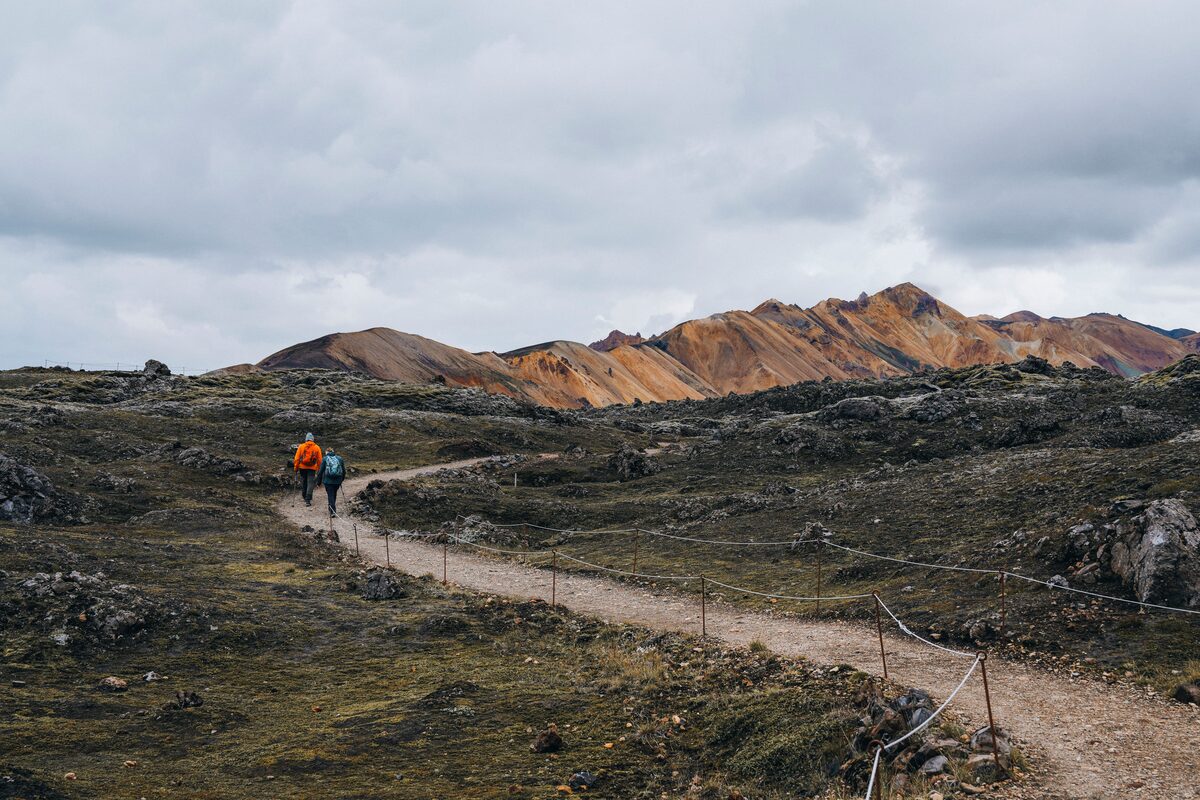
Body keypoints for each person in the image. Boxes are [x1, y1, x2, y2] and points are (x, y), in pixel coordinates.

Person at [293, 433, 322, 507]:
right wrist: (319, 469)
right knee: (310, 483)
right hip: (312, 468)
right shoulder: (317, 447)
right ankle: (308, 499)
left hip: (302, 467)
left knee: (304, 480)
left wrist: (296, 468)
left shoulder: (301, 446)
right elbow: (319, 460)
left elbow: (297, 458)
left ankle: (304, 495)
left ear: (306, 439)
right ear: (313, 439)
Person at [316, 448, 346, 515]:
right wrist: (341, 480)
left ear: (326, 452)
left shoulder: (325, 459)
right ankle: (332, 508)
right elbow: (344, 471)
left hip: (328, 481)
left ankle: (332, 511)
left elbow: (320, 472)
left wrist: (318, 482)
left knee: (330, 495)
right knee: (334, 494)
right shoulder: (340, 458)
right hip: (337, 481)